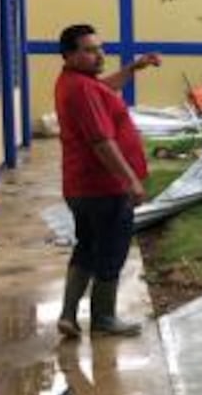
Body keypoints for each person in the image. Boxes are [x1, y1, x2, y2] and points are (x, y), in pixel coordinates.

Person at [55, 24, 161, 338]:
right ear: (69, 54)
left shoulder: (76, 82)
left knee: (87, 246)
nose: (99, 55)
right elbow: (102, 141)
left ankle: (68, 315)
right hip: (103, 187)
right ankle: (103, 318)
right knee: (112, 249)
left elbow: (105, 88)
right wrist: (130, 180)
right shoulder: (83, 89)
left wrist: (133, 68)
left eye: (100, 48)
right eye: (89, 50)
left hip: (82, 185)